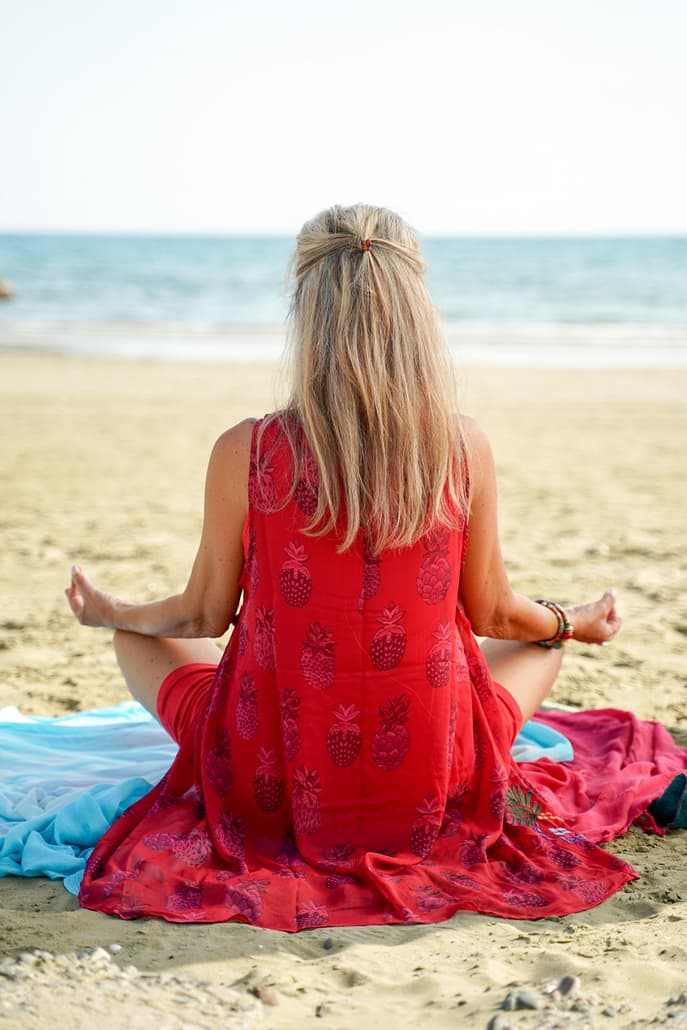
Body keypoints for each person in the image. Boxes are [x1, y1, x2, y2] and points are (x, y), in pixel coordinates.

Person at [66, 203, 633, 930]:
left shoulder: (248, 448)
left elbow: (200, 616)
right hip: (437, 772)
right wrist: (574, 622)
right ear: (415, 314)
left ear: (306, 312)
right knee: (542, 641)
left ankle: (123, 629)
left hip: (267, 777)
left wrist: (111, 612)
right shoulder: (461, 448)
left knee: (137, 636)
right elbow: (495, 613)